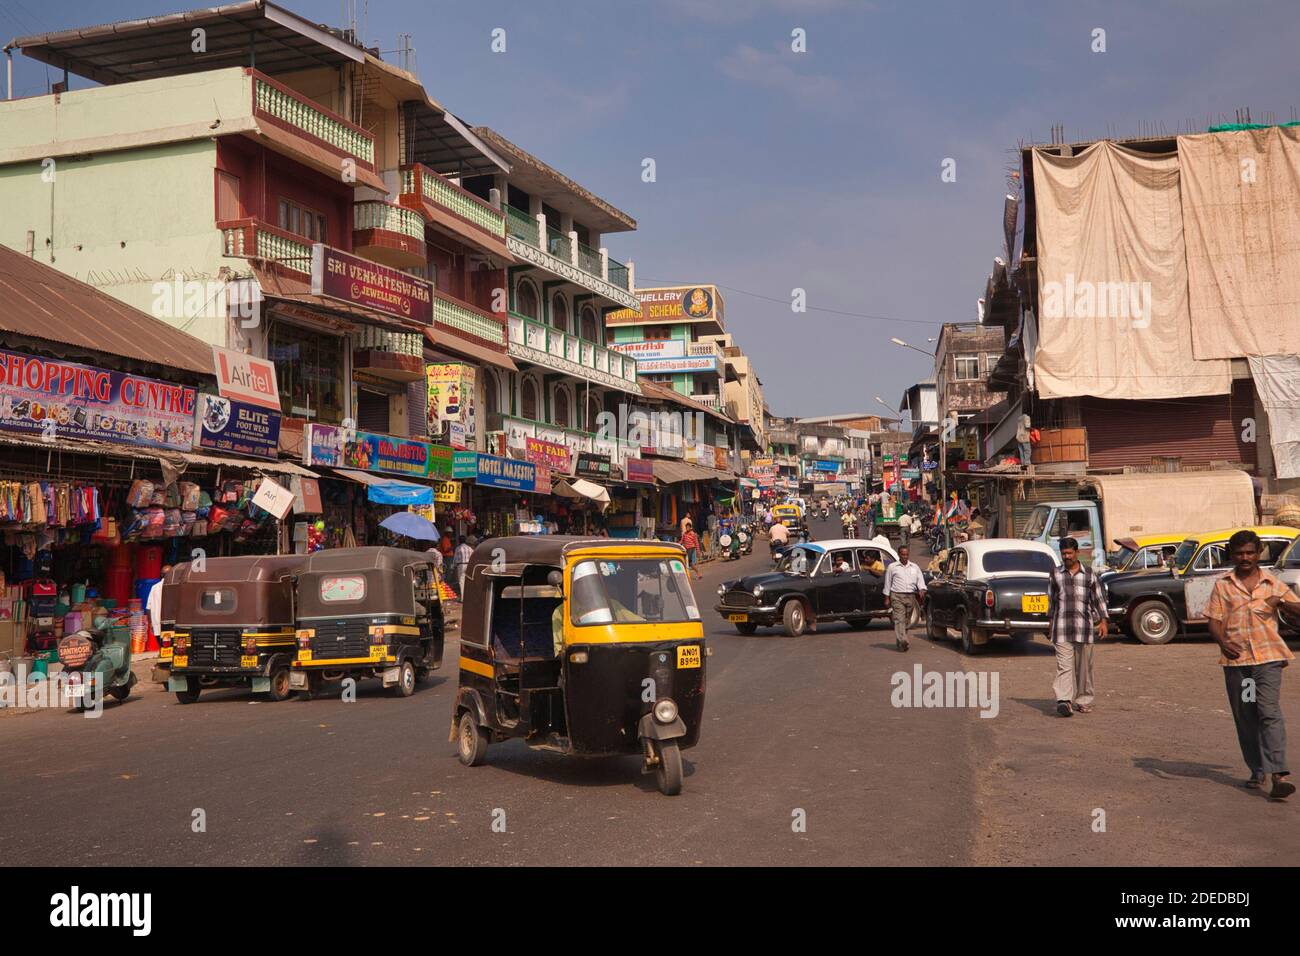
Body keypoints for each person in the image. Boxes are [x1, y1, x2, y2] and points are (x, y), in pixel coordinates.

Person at [1205, 529, 1299, 801]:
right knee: (1246, 715)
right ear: (1232, 555)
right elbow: (1214, 620)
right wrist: (1222, 642)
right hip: (1239, 664)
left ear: (1258, 554)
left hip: (1268, 659)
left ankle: (1279, 774)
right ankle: (1257, 769)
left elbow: (1297, 608)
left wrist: (1279, 601)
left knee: (1269, 711)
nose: (1245, 558)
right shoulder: (1223, 585)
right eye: (1239, 553)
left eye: (1250, 553)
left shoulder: (1273, 583)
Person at [1048, 536, 1108, 717]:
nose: (1066, 557)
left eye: (1069, 553)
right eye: (1063, 553)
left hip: (1085, 628)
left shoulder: (1089, 574)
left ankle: (1083, 700)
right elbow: (1051, 601)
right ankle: (1064, 701)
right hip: (1061, 628)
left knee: (1084, 668)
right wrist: (1049, 622)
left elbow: (1098, 599)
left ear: (1077, 553)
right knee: (1064, 666)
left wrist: (1103, 621)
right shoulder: (1055, 574)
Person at [883, 544, 926, 652]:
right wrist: (887, 598)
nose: (905, 557)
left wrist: (921, 589)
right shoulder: (892, 567)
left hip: (910, 596)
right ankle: (903, 640)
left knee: (906, 620)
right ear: (899, 555)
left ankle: (900, 641)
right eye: (903, 554)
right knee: (899, 619)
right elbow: (887, 583)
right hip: (897, 596)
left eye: (906, 554)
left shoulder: (914, 567)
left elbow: (920, 580)